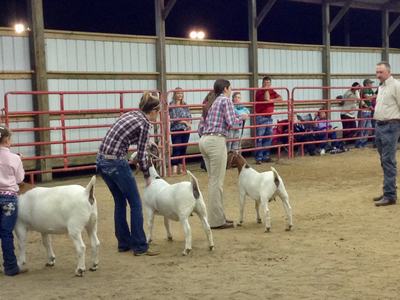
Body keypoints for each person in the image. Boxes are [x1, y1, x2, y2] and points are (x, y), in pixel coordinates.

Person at [96, 92, 160, 255]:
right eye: (157, 112)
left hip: (102, 161)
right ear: (153, 111)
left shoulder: (132, 114)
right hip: (117, 162)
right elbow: (142, 153)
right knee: (136, 203)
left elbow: (126, 137)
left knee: (120, 201)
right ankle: (139, 245)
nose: (157, 116)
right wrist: (147, 176)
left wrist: (146, 141)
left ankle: (123, 242)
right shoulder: (145, 123)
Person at [198, 79, 248, 229]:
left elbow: (202, 126)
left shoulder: (212, 102)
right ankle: (216, 221)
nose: (231, 90)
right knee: (216, 183)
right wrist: (242, 117)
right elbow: (232, 122)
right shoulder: (225, 100)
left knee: (213, 181)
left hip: (204, 140)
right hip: (216, 141)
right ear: (226, 88)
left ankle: (216, 218)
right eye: (230, 88)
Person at [0, 126, 28, 276]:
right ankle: (10, 267)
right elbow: (19, 179)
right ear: (7, 140)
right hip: (9, 197)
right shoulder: (15, 158)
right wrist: (18, 160)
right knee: (6, 232)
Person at [373, 62, 400, 206]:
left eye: (380, 72)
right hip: (380, 125)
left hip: (391, 125)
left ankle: (390, 195)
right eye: (377, 72)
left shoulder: (396, 85)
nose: (378, 75)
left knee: (388, 161)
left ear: (388, 72)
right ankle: (389, 190)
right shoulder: (381, 87)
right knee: (384, 161)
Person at [254, 76, 282, 164]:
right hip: (261, 117)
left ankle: (265, 156)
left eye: (269, 83)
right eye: (265, 83)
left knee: (268, 137)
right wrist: (266, 90)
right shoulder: (259, 91)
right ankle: (259, 158)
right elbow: (266, 99)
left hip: (269, 117)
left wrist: (271, 99)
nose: (267, 85)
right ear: (262, 83)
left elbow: (280, 98)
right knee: (260, 138)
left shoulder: (272, 91)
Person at [169, 88, 192, 175]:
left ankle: (181, 169)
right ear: (174, 95)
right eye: (178, 93)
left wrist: (188, 123)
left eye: (181, 93)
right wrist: (185, 122)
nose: (180, 95)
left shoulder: (185, 104)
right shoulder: (172, 105)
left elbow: (189, 115)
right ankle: (174, 170)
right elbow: (174, 118)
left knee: (183, 149)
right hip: (176, 129)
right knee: (176, 149)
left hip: (186, 129)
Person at [355, 79, 375, 148]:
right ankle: (359, 143)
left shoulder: (370, 90)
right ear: (366, 84)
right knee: (362, 128)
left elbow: (371, 98)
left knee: (367, 128)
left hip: (368, 111)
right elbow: (368, 98)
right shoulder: (364, 90)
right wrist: (373, 97)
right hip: (363, 111)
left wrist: (371, 100)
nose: (372, 85)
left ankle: (363, 143)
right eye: (370, 83)